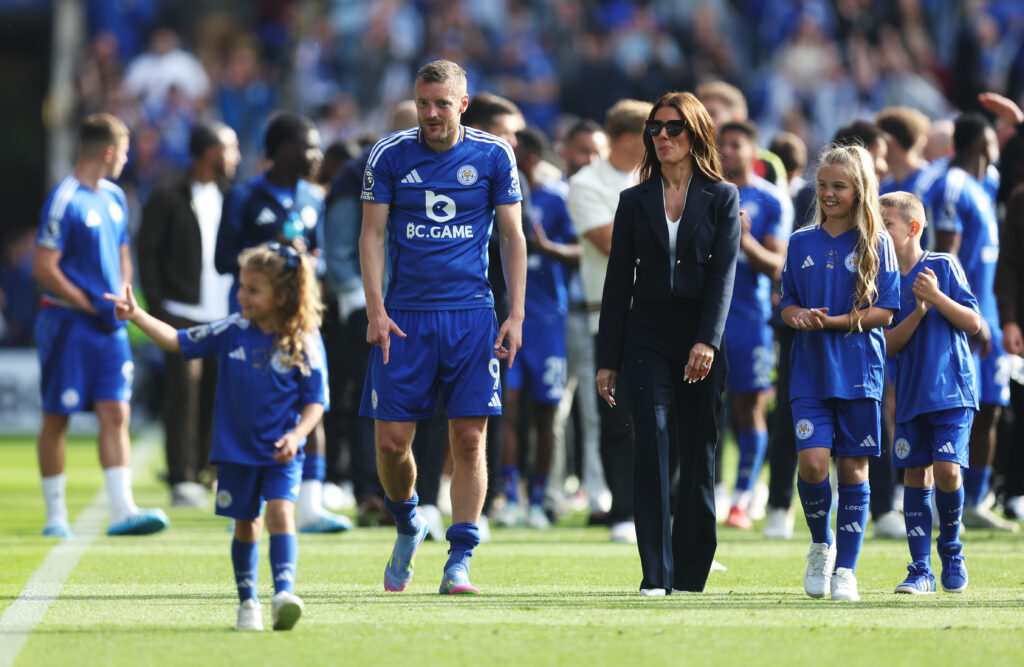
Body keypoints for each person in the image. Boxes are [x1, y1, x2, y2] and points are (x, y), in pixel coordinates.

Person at [358, 59, 527, 594]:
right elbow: (370, 235)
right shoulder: (389, 154)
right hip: (403, 318)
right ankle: (408, 521)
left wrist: (515, 313)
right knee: (390, 444)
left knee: (470, 441)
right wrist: (375, 310)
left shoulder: (495, 154)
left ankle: (460, 560)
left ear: (463, 103)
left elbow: (513, 238)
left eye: (440, 103)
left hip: (471, 317)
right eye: (422, 103)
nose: (430, 114)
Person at [105, 242, 324, 631]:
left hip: (281, 453)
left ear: (284, 295)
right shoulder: (232, 330)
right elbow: (176, 340)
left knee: (280, 513)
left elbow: (315, 403)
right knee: (246, 525)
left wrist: (296, 435)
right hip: (236, 454)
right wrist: (137, 315)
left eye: (253, 290)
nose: (242, 296)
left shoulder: (304, 340)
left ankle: (283, 594)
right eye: (241, 287)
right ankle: (248, 603)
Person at [596, 91, 741, 595]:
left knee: (698, 451)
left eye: (673, 128)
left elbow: (724, 277)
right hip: (646, 335)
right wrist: (607, 359)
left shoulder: (722, 197)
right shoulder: (632, 200)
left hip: (700, 336)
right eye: (654, 129)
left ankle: (692, 571)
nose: (662, 137)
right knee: (651, 442)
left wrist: (707, 340)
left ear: (695, 132)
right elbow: (617, 284)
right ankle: (654, 575)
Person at [32, 113, 168, 538]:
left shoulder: (113, 198)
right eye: (125, 152)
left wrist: (123, 292)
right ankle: (56, 515)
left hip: (109, 326)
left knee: (116, 411)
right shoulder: (64, 199)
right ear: (108, 152)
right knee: (58, 415)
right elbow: (44, 267)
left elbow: (122, 249)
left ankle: (121, 509)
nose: (127, 160)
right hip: (68, 323)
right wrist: (90, 303)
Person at [215, 112, 351, 534]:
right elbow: (223, 259)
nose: (316, 154)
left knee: (313, 403)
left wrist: (311, 262)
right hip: (252, 323)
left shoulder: (314, 198)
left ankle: (309, 504)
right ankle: (246, 497)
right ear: (283, 149)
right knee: (253, 404)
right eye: (308, 146)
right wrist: (269, 254)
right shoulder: (244, 196)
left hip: (301, 322)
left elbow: (323, 255)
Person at [781, 144, 900, 601]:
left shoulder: (878, 242)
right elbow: (787, 299)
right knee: (812, 464)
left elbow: (886, 311)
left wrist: (831, 322)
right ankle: (820, 544)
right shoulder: (800, 242)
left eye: (839, 186)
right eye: (823, 185)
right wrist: (794, 315)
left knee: (853, 469)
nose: (828, 194)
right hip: (809, 371)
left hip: (859, 373)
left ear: (859, 190)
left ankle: (846, 570)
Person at [138, 121, 240, 508]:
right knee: (183, 389)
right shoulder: (168, 195)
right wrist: (159, 306)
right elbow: (148, 250)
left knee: (217, 394)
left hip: (222, 314)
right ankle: (181, 477)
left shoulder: (231, 195)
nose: (236, 157)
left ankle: (204, 471)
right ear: (210, 152)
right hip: (179, 312)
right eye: (230, 149)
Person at [924, 113, 1018, 532]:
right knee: (954, 409)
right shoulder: (953, 185)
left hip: (992, 316)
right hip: (966, 317)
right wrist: (963, 317)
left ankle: (976, 501)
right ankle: (942, 502)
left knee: (992, 407)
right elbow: (947, 257)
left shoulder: (987, 184)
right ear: (983, 142)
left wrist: (1017, 123)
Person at [880, 192, 978, 594]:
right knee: (914, 477)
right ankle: (920, 570)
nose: (880, 232)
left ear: (913, 228)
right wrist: (918, 312)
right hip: (909, 396)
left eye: (887, 224)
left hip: (952, 391)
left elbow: (972, 322)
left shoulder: (942, 265)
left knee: (947, 470)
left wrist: (936, 298)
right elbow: (886, 344)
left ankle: (952, 551)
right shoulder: (882, 278)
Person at [568, 98, 652, 544]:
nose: (663, 142)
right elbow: (608, 241)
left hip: (661, 312)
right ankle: (621, 510)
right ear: (627, 138)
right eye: (654, 134)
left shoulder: (657, 179)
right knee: (617, 416)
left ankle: (659, 510)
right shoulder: (587, 183)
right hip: (610, 315)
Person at [497, 127, 579, 529]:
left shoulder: (556, 198)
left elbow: (584, 250)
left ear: (528, 158)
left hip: (548, 321)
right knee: (508, 408)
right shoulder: (491, 194)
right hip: (506, 316)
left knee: (546, 411)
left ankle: (540, 496)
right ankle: (511, 495)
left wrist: (549, 249)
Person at [717, 120, 792, 530]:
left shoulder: (771, 201)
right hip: (707, 315)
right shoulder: (705, 192)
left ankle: (743, 498)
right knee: (700, 406)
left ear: (753, 149)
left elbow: (778, 265)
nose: (727, 150)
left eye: (736, 143)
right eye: (721, 144)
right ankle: (704, 492)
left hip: (749, 317)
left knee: (750, 406)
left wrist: (743, 239)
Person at [553, 119, 610, 522]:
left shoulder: (604, 193)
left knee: (594, 410)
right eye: (582, 150)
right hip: (551, 317)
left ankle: (597, 495)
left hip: (591, 314)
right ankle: (551, 494)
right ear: (564, 151)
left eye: (596, 151)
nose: (588, 159)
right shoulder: (553, 195)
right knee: (552, 411)